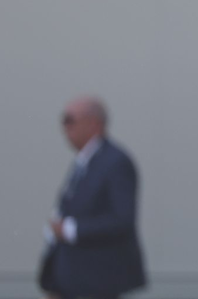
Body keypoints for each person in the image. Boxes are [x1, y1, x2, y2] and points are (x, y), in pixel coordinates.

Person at [38, 96, 146, 299]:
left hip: (96, 280)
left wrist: (72, 229)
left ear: (94, 123)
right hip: (68, 278)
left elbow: (121, 219)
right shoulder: (84, 161)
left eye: (70, 120)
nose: (65, 127)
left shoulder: (115, 162)